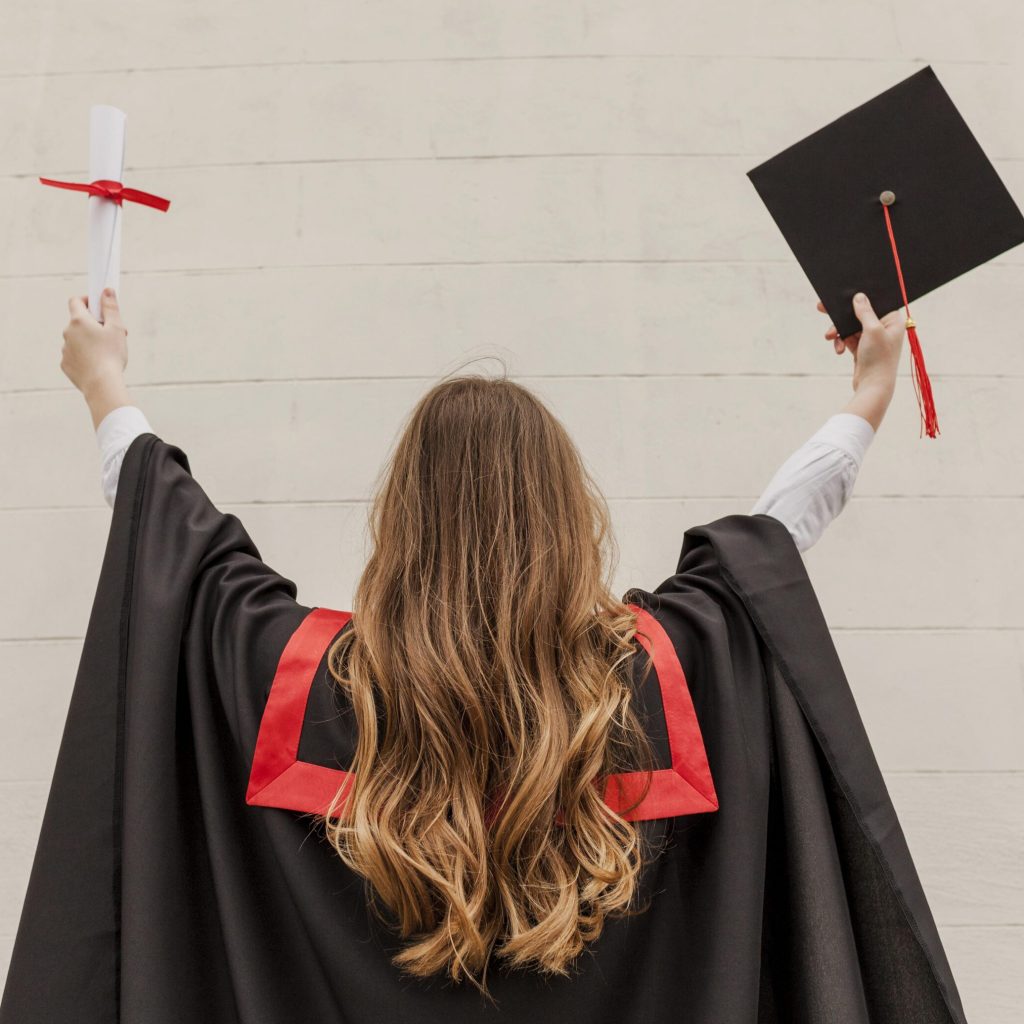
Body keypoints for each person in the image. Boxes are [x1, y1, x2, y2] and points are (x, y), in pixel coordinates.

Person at [0, 287, 969, 1024]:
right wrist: (868, 396)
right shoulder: (643, 681)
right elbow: (766, 545)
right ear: (561, 518)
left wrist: (105, 383)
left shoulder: (318, 688)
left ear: (403, 521)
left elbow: (178, 554)